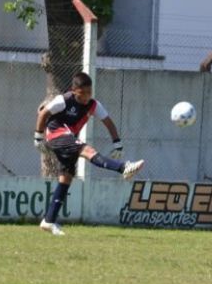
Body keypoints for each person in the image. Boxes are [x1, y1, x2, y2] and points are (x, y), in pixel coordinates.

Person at [34, 72, 144, 235]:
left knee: (66, 177)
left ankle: (49, 220)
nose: (86, 96)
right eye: (82, 93)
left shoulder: (93, 105)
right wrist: (38, 137)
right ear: (74, 90)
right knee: (87, 150)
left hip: (69, 136)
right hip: (56, 134)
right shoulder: (64, 100)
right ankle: (123, 168)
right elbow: (43, 113)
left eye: (89, 93)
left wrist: (117, 143)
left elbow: (107, 121)